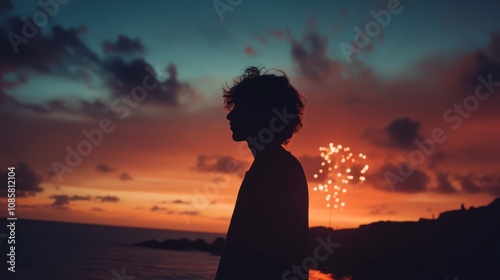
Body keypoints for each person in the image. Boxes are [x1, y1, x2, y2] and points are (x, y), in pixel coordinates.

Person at [215, 66, 309, 279]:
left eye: (240, 107)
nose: (230, 116)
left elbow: (265, 258)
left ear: (263, 112)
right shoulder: (274, 167)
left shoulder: (275, 171)